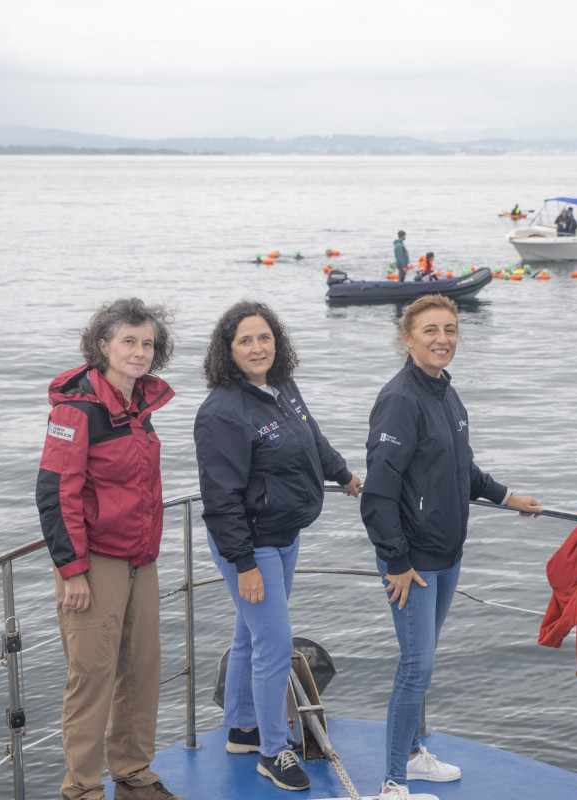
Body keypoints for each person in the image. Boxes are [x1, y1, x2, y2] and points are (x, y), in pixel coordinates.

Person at [361, 295, 544, 800]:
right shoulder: (401, 399)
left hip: (447, 554)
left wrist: (507, 497)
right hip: (412, 560)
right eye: (430, 330)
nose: (442, 338)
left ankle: (415, 756)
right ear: (408, 337)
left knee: (425, 663)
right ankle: (392, 782)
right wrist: (396, 561)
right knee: (415, 666)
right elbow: (378, 493)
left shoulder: (444, 390)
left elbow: (462, 469)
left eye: (450, 329)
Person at [195, 301, 362, 793]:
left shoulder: (282, 388)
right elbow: (220, 498)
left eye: (264, 337)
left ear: (277, 342)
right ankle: (273, 752)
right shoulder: (222, 412)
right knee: (274, 645)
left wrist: (344, 474)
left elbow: (313, 438)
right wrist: (244, 563)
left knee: (250, 637)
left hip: (285, 534)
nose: (257, 347)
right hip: (250, 543)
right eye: (245, 340)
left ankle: (244, 729)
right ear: (228, 350)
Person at [35, 298, 185, 800]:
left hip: (140, 560)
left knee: (142, 671)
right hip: (94, 562)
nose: (140, 352)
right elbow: (55, 493)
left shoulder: (140, 405)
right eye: (128, 341)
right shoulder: (77, 410)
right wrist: (72, 570)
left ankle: (133, 772)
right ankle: (81, 789)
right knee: (92, 677)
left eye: (147, 343)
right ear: (102, 346)